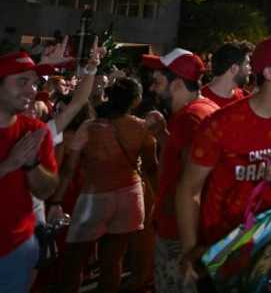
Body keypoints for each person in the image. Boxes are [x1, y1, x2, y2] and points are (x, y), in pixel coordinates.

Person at [175, 34, 271, 286]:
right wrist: (191, 251)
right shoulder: (220, 124)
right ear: (269, 73)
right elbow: (189, 189)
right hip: (224, 252)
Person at [56, 77, 157, 293]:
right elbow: (151, 168)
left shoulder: (90, 127)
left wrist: (56, 200)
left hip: (95, 197)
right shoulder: (142, 128)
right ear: (136, 101)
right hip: (130, 196)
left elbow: (69, 168)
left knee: (74, 261)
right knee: (113, 261)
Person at [142, 49, 217, 293]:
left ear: (175, 84)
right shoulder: (203, 109)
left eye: (158, 81)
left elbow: (192, 181)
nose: (153, 88)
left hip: (178, 237)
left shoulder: (189, 119)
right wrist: (163, 135)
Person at [0, 51, 60, 293]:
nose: (31, 90)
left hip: (17, 248)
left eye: (34, 83)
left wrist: (32, 164)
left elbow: (46, 190)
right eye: (21, 82)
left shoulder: (36, 131)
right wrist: (9, 164)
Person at [200, 43, 250, 109]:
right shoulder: (200, 101)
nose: (250, 68)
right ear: (234, 68)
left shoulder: (246, 97)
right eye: (247, 64)